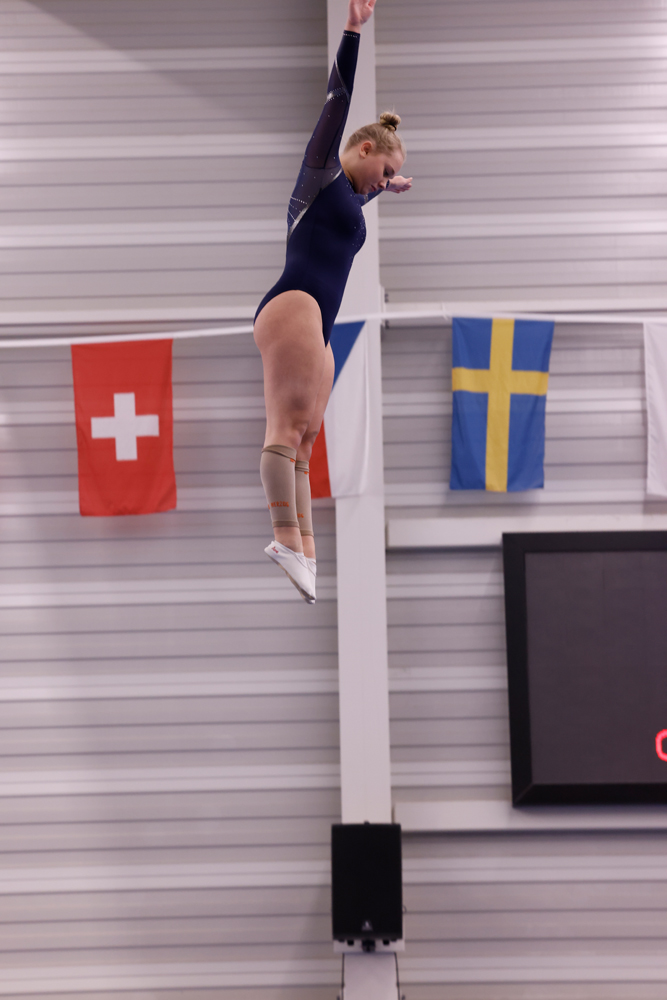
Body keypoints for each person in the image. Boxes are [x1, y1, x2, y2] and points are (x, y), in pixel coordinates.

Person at [253, 0, 412, 603]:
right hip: (293, 305)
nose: (382, 181)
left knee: (307, 437)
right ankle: (283, 537)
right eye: (384, 170)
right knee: (286, 427)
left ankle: (306, 550)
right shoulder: (319, 171)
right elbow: (337, 99)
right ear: (364, 149)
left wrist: (384, 191)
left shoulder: (347, 194)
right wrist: (352, 31)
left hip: (315, 320)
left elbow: (350, 210)